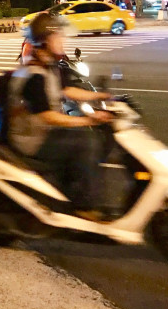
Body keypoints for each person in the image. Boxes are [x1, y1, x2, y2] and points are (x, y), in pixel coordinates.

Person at [8, 12, 113, 215]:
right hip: (32, 139)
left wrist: (102, 96)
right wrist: (89, 120)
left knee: (86, 137)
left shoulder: (49, 64)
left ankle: (70, 190)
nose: (62, 40)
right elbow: (47, 116)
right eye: (58, 36)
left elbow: (66, 90)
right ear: (45, 41)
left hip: (42, 131)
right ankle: (85, 207)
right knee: (87, 143)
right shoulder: (34, 73)